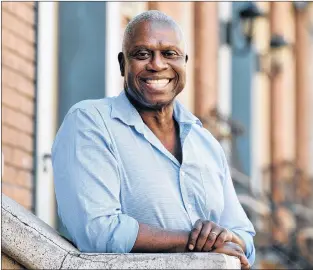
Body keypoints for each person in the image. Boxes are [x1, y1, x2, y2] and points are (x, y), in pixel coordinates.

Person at [52, 10, 255, 269]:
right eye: (142, 54)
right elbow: (98, 231)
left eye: (169, 54)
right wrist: (198, 244)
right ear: (122, 64)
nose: (157, 65)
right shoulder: (91, 122)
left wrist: (225, 237)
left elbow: (245, 238)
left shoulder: (206, 143)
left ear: (184, 62)